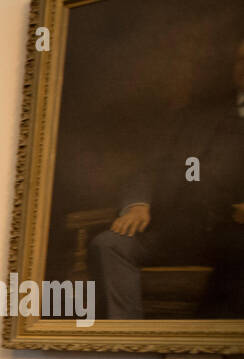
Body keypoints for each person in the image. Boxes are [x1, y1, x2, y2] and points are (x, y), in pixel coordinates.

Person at [90, 37, 244, 318]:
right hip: (174, 228)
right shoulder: (197, 117)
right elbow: (148, 167)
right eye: (241, 60)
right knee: (109, 244)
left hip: (232, 233)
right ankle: (126, 342)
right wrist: (137, 203)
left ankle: (202, 343)